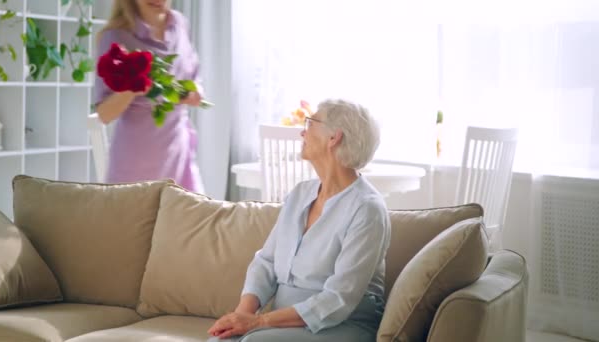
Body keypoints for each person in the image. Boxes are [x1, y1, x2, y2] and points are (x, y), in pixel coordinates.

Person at [207, 99, 391, 341]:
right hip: (284, 323)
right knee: (220, 339)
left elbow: (339, 298)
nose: (302, 131)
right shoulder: (300, 194)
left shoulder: (367, 209)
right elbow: (267, 261)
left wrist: (258, 322)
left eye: (310, 124)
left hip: (343, 324)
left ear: (334, 138)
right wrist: (242, 315)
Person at [94, 0, 204, 192]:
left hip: (179, 157)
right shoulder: (115, 36)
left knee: (192, 220)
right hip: (136, 163)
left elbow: (195, 83)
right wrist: (133, 87)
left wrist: (192, 93)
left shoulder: (180, 24)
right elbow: (104, 114)